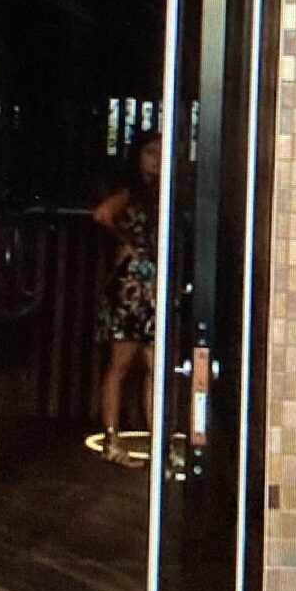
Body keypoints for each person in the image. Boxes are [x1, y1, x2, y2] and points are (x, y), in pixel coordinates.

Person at [92, 131, 162, 466]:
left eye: (161, 153)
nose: (156, 159)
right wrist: (126, 242)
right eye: (150, 152)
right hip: (133, 283)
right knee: (121, 362)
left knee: (153, 364)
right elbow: (101, 214)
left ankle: (155, 439)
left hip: (154, 283)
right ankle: (111, 438)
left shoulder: (162, 194)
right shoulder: (130, 192)